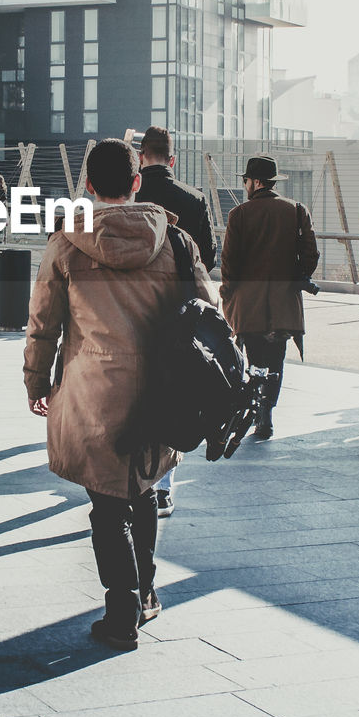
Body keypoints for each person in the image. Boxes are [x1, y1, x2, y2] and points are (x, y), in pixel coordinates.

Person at [24, 138, 216, 651]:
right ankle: (148, 591)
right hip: (161, 390)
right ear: (136, 182)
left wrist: (36, 381)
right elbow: (207, 313)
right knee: (146, 488)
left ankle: (121, 608)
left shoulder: (66, 243)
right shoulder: (175, 241)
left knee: (107, 506)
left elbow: (43, 324)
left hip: (94, 391)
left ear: (88, 185)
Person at [134, 125, 217, 517]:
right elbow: (208, 261)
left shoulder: (127, 196)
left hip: (129, 310)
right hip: (176, 314)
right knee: (168, 395)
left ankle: (126, 476)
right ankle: (162, 487)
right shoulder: (195, 200)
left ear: (139, 158)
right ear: (172, 159)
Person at [219, 154, 319, 440]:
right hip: (284, 304)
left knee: (255, 361)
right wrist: (297, 275)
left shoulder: (238, 215)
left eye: (246, 180)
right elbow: (311, 254)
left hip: (249, 306)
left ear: (256, 182)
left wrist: (228, 295)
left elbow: (229, 264)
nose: (245, 185)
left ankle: (256, 411)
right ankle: (268, 415)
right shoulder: (298, 210)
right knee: (276, 360)